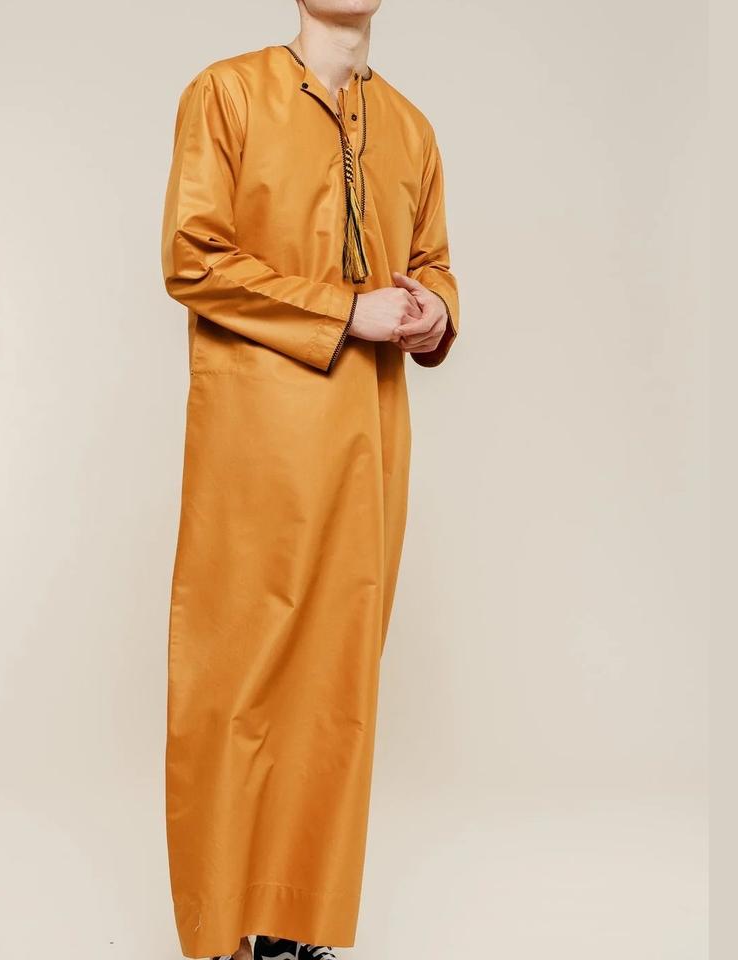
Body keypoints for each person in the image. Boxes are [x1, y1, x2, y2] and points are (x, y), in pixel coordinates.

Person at [160, 2, 459, 957]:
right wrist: (344, 311)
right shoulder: (226, 94)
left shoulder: (408, 126)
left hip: (368, 442)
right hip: (253, 444)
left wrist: (430, 312)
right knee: (234, 683)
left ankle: (299, 929)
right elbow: (192, 256)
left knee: (336, 689)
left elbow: (432, 265)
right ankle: (220, 933)